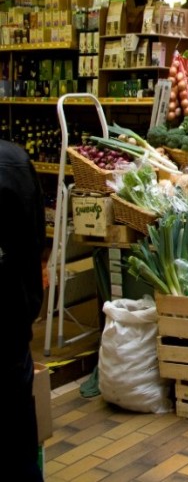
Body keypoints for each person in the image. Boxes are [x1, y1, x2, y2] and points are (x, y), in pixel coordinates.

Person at [0, 139, 45, 482]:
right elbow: (33, 249)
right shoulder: (14, 161)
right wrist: (27, 310)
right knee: (18, 445)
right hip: (9, 328)